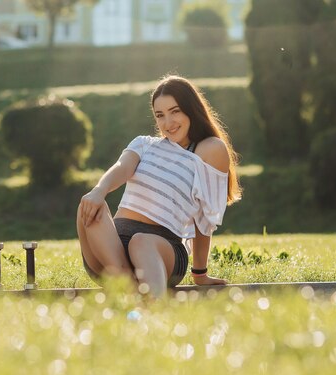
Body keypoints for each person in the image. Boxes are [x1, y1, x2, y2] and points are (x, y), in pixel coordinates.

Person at [77, 75, 242, 298]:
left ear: (191, 110)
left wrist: (200, 273)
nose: (168, 123)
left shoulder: (208, 149)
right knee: (88, 205)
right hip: (112, 250)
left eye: (175, 111)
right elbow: (122, 168)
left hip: (162, 250)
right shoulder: (144, 144)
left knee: (141, 241)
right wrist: (99, 190)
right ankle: (126, 280)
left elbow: (204, 217)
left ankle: (145, 301)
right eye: (160, 115)